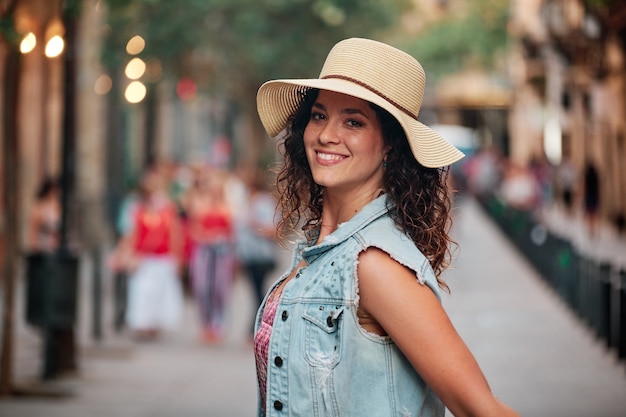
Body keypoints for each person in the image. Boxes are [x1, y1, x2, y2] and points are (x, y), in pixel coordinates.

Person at [252, 38, 520, 417]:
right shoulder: (322, 251)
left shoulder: (374, 263)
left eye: (354, 121)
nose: (327, 134)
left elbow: (480, 408)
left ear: (390, 145)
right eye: (318, 115)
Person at [118, 168, 184, 341]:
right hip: (144, 258)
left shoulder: (168, 210)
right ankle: (142, 323)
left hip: (162, 258)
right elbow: (132, 235)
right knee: (142, 292)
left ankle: (154, 323)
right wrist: (127, 254)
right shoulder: (137, 210)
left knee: (159, 293)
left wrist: (177, 257)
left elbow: (173, 234)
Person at [183, 166, 237, 343]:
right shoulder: (199, 203)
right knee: (202, 287)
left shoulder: (227, 207)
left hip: (221, 251)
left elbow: (231, 233)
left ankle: (217, 324)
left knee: (219, 289)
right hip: (204, 250)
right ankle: (205, 323)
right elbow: (194, 227)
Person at [235, 169, 279, 338]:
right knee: (256, 292)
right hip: (248, 255)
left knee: (259, 293)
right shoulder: (247, 202)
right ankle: (256, 327)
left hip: (261, 255)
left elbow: (272, 229)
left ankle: (257, 328)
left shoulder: (264, 203)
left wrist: (255, 226)